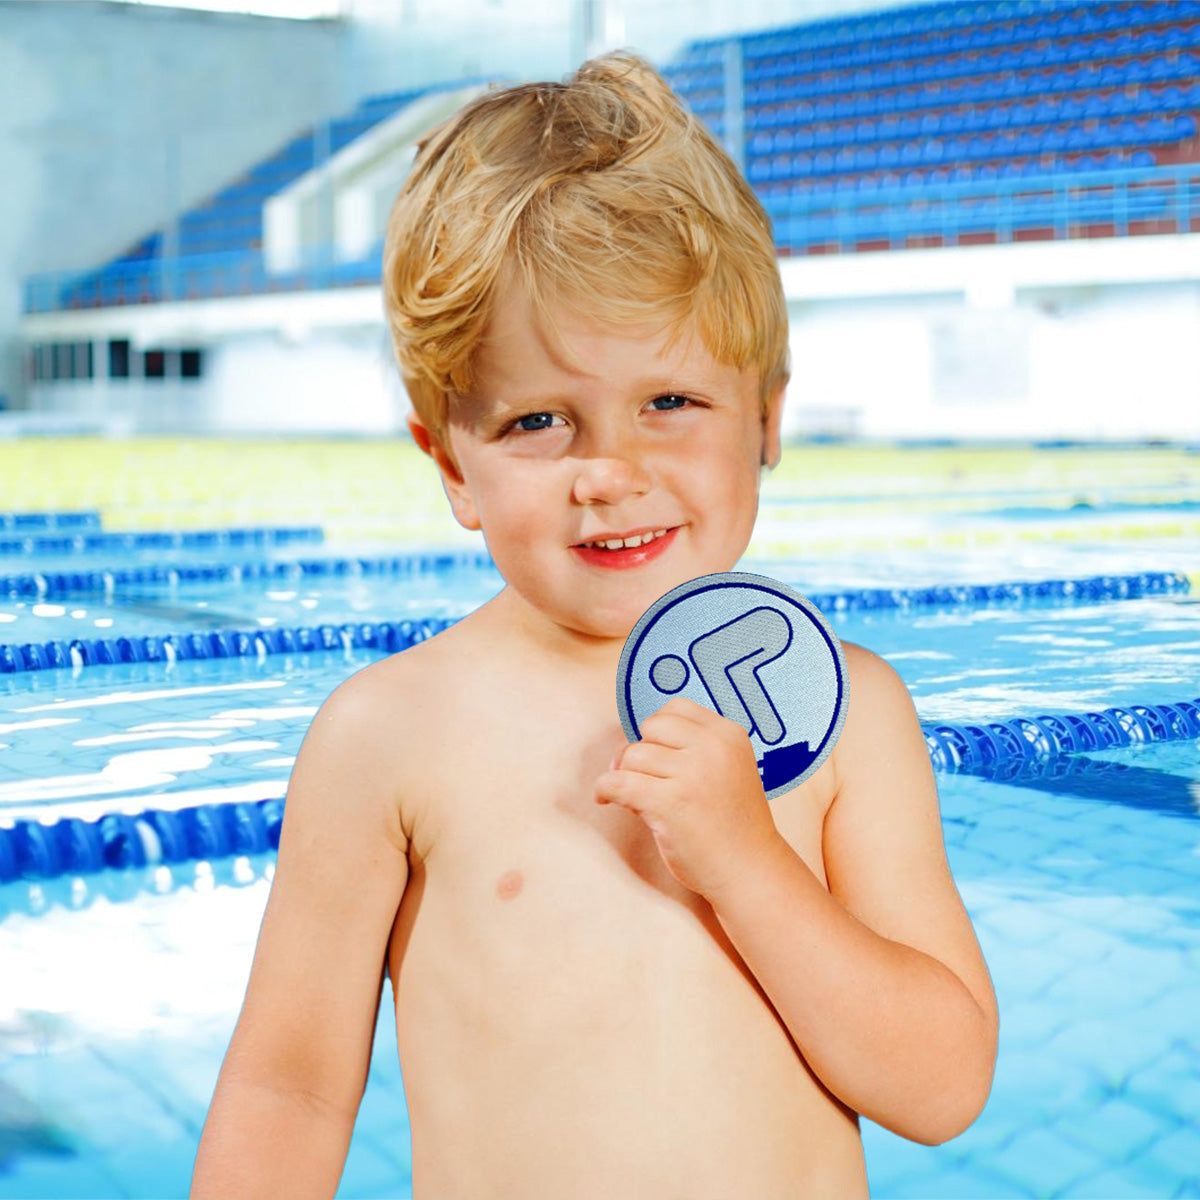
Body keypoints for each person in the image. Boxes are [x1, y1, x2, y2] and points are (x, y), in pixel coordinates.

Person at [191, 53, 998, 1200]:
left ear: (767, 417)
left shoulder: (849, 714)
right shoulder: (386, 737)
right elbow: (291, 1087)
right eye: (537, 421)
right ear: (451, 466)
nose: (609, 473)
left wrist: (746, 865)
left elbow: (942, 1085)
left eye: (670, 402)